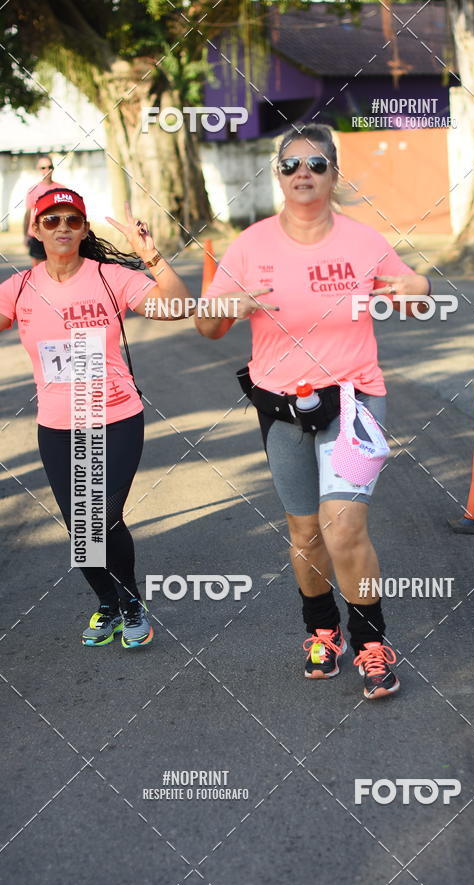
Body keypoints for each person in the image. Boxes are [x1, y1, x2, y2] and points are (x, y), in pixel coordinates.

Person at [194, 124, 431, 699]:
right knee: (304, 531)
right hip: (280, 405)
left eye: (317, 164)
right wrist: (229, 303)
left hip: (353, 400)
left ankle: (372, 644)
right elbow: (207, 325)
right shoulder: (250, 245)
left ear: (333, 175)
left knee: (343, 524)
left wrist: (414, 286)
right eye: (291, 164)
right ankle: (322, 631)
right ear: (277, 174)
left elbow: (416, 289)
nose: (304, 173)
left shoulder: (362, 241)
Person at [1, 187, 194, 649]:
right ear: (36, 230)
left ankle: (131, 605)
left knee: (101, 516)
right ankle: (108, 601)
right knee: (79, 527)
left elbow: (178, 307)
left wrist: (150, 256)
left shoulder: (109, 278)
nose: (62, 228)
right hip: (57, 424)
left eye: (72, 220)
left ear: (85, 229)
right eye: (51, 221)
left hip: (115, 415)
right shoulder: (21, 287)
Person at [23, 155, 65, 266]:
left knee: (56, 265)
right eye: (43, 168)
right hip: (37, 235)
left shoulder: (62, 189)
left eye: (49, 167)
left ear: (53, 168)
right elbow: (28, 213)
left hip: (55, 234)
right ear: (39, 169)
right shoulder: (33, 190)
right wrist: (25, 236)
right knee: (37, 267)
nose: (46, 170)